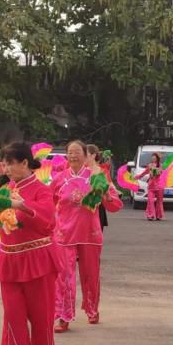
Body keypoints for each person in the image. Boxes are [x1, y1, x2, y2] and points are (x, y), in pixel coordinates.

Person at [0, 141, 62, 345]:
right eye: (4, 164)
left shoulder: (41, 190)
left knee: (42, 317)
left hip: (38, 260)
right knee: (12, 316)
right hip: (10, 261)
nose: (5, 168)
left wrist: (22, 206)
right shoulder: (5, 190)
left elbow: (47, 221)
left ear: (25, 163)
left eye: (9, 163)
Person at [51, 140, 123, 332]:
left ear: (86, 155)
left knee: (91, 274)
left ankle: (92, 308)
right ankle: (63, 316)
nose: (73, 155)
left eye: (77, 152)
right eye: (70, 152)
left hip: (90, 233)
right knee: (64, 276)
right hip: (64, 233)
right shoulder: (59, 179)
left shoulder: (97, 176)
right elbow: (47, 203)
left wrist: (107, 195)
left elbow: (115, 204)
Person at [137, 153, 165, 221]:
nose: (153, 158)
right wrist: (136, 177)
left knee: (159, 201)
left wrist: (157, 172)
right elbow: (144, 173)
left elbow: (163, 174)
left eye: (154, 157)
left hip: (159, 186)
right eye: (152, 157)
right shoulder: (149, 165)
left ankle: (159, 215)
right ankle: (150, 215)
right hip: (151, 186)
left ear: (157, 158)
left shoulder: (162, 166)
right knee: (150, 201)